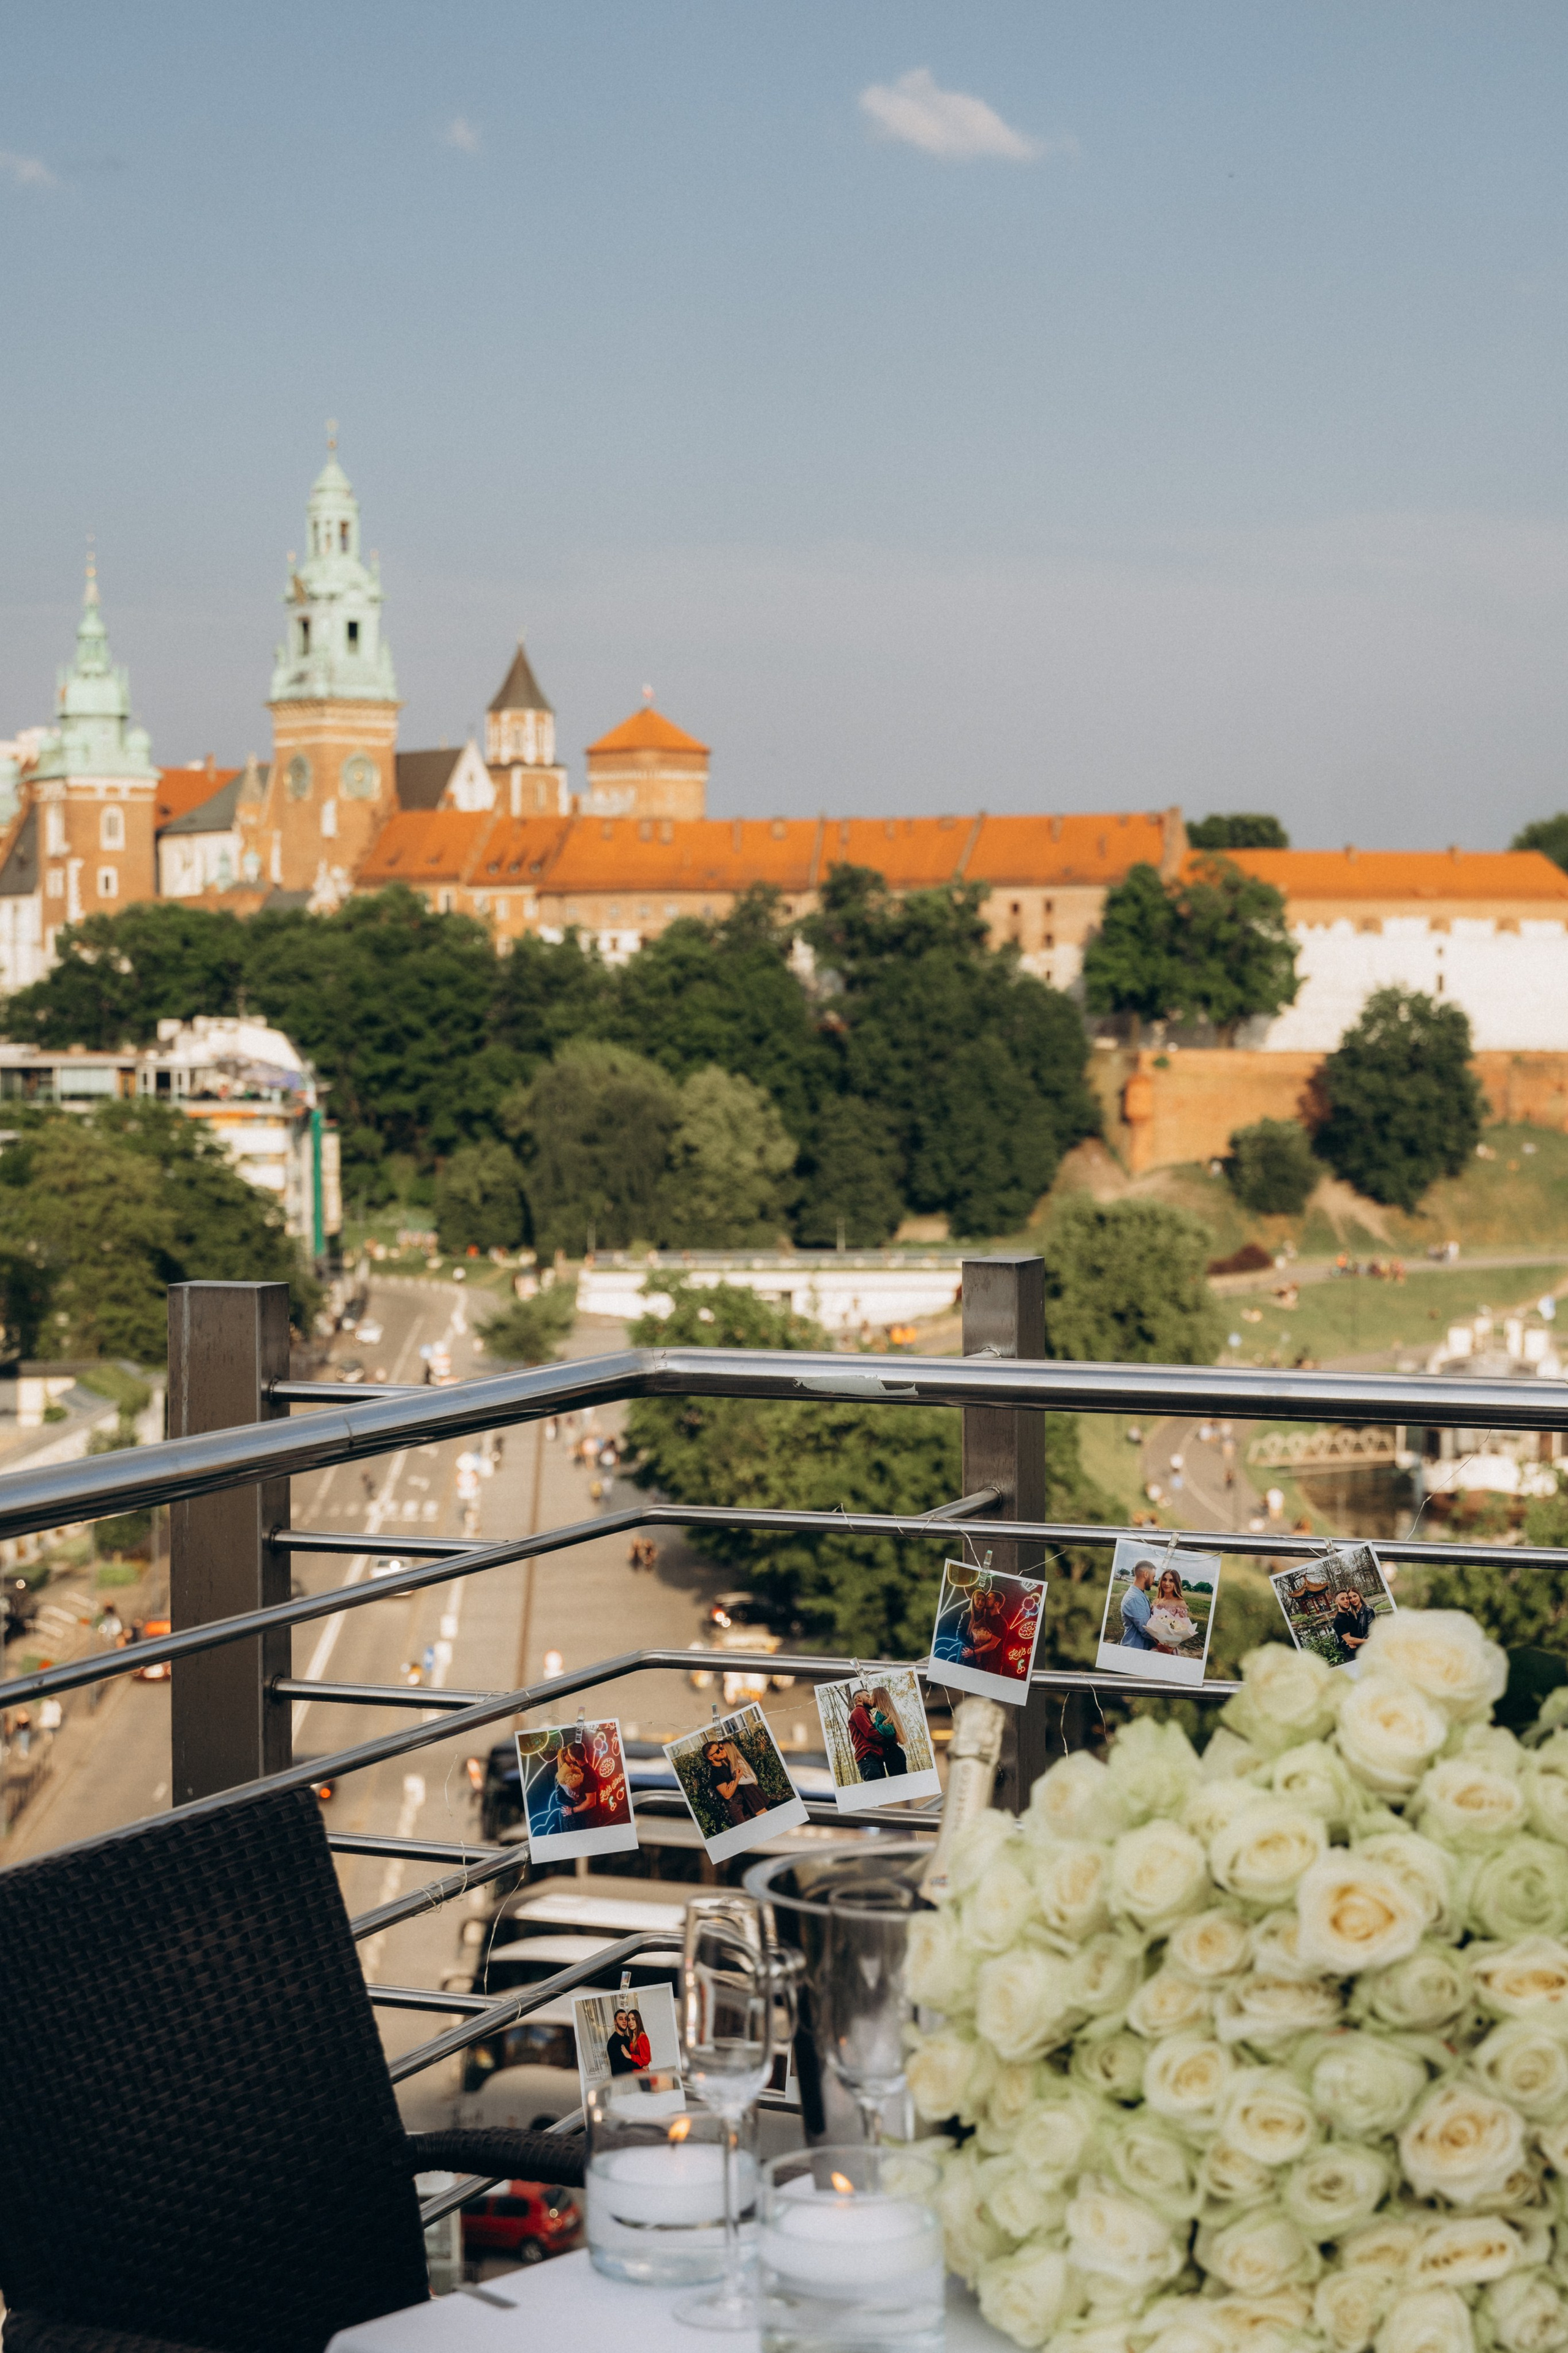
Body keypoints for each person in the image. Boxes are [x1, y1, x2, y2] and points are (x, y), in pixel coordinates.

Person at [703, 1737, 769, 1827]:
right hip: (735, 1806)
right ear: (711, 1758)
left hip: (745, 1800)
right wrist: (736, 1780)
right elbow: (727, 1795)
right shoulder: (716, 1775)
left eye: (720, 1749)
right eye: (718, 1751)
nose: (722, 1751)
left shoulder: (726, 1764)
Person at [1146, 1566, 1197, 1654]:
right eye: (1164, 1580)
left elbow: (1182, 1629)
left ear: (1176, 1583)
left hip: (1169, 1649)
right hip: (1151, 1644)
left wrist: (1170, 1648)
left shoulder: (1180, 1603)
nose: (1167, 1583)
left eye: (1171, 1581)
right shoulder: (1157, 1601)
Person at [847, 1689, 890, 1781]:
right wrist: (888, 1738)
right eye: (867, 1696)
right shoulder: (858, 1711)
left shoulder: (866, 1713)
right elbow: (870, 1733)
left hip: (875, 1757)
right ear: (859, 1698)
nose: (870, 1698)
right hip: (867, 1758)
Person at [1118, 1558, 1158, 1649]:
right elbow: (1146, 1630)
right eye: (1153, 1577)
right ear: (1146, 1574)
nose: (1154, 1581)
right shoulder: (1135, 1598)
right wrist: (1168, 1639)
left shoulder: (1139, 1594)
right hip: (1135, 1648)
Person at [1331, 1584, 1374, 1661]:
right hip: (1353, 1656)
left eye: (1347, 1598)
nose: (1346, 1601)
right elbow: (1349, 1640)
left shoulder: (1351, 1614)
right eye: (1343, 1599)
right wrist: (1366, 1641)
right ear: (1336, 1602)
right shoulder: (1339, 1620)